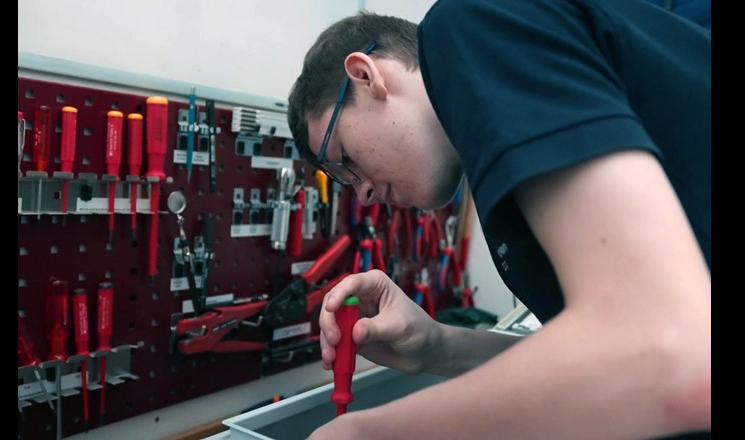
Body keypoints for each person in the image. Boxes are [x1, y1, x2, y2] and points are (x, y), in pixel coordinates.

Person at [286, 0, 710, 438]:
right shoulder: (499, 171)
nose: (365, 195)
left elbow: (666, 351)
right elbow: (618, 362)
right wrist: (439, 345)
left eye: (344, 162)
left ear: (365, 75)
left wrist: (373, 433)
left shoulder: (472, 20)